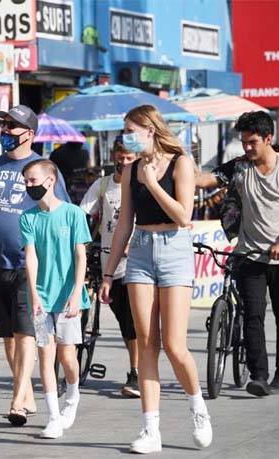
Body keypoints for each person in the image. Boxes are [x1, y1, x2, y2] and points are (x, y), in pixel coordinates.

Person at [99, 105, 212, 454]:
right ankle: (150, 429)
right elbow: (123, 223)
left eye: (130, 128)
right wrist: (107, 272)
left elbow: (183, 215)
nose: (125, 135)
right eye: (124, 129)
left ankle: (198, 408)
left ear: (149, 129)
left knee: (175, 345)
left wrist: (152, 182)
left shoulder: (181, 162)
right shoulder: (129, 169)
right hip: (142, 250)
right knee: (147, 342)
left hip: (175, 248)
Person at [0, 105, 70, 426]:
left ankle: (17, 399)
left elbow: (59, 213)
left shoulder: (44, 170)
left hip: (29, 264)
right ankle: (25, 393)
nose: (5, 131)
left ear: (29, 134)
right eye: (3, 125)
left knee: (25, 332)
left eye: (12, 127)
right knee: (8, 335)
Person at [196, 110, 279, 397]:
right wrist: (175, 159)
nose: (247, 148)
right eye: (244, 142)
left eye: (252, 142)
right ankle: (259, 376)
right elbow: (204, 181)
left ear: (268, 139)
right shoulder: (239, 167)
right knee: (253, 315)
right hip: (249, 255)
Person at [19, 159, 91, 439]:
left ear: (50, 181)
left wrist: (76, 293)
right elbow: (31, 256)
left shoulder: (73, 214)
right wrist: (34, 293)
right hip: (41, 299)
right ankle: (53, 416)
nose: (28, 186)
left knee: (67, 356)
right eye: (26, 181)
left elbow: (80, 255)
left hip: (68, 298)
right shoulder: (28, 218)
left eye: (32, 181)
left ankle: (72, 395)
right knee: (45, 354)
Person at [79, 137, 140, 397]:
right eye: (121, 158)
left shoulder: (142, 185)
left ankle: (136, 372)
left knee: (132, 322)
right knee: (121, 318)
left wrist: (132, 243)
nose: (124, 163)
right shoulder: (103, 185)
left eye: (129, 159)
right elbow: (82, 214)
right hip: (108, 263)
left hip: (135, 264)